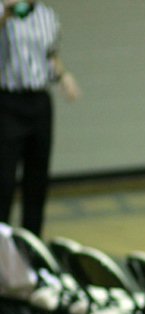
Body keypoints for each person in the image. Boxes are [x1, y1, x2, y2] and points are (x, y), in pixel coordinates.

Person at [0, 0, 81, 236]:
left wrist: (64, 76)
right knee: (4, 178)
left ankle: (32, 243)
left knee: (37, 177)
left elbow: (50, 55)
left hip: (39, 102)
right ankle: (2, 245)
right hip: (7, 101)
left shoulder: (48, 16)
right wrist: (7, 12)